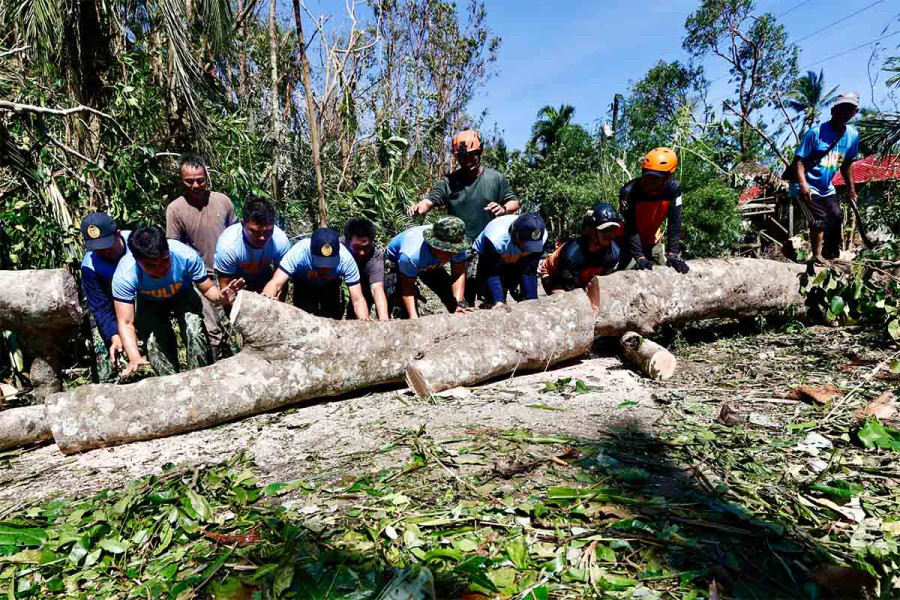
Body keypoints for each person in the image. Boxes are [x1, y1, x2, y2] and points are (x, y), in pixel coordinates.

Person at [112, 226, 244, 377]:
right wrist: (134, 358)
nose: (160, 269)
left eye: (164, 261)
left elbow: (207, 289)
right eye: (151, 266)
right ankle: (169, 384)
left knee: (194, 331)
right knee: (154, 344)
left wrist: (222, 298)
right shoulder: (126, 274)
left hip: (183, 294)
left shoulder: (186, 256)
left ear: (168, 250)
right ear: (137, 261)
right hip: (150, 303)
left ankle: (199, 378)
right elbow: (126, 322)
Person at [407, 130, 520, 302]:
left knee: (493, 297)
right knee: (463, 300)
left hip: (489, 247)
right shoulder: (449, 182)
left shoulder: (495, 178)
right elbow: (431, 199)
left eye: (471, 156)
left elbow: (514, 202)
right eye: (462, 158)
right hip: (461, 250)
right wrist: (421, 207)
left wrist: (503, 209)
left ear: (480, 152)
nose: (467, 161)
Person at [166, 154, 238, 360]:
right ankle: (215, 368)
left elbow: (235, 234)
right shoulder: (175, 209)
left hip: (228, 273)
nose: (196, 185)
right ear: (181, 180)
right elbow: (175, 248)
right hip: (201, 277)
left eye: (200, 180)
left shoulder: (222, 201)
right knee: (211, 329)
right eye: (189, 181)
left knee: (233, 324)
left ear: (206, 177)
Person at [791, 92, 860, 263]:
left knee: (836, 215)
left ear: (854, 113)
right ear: (833, 111)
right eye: (841, 108)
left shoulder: (852, 135)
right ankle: (817, 256)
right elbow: (798, 162)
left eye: (849, 109)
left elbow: (847, 164)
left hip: (826, 187)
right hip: (806, 185)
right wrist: (803, 185)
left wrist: (851, 188)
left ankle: (830, 254)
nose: (845, 112)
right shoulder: (815, 133)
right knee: (818, 219)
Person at [263, 227, 369, 320]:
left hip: (330, 286)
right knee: (302, 318)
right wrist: (265, 307)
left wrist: (366, 325)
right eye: (321, 263)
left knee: (332, 318)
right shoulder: (299, 252)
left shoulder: (346, 259)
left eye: (330, 264)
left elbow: (358, 299)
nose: (325, 269)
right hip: (304, 285)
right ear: (310, 251)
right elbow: (276, 282)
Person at [618, 147, 689, 274]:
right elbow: (630, 227)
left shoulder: (673, 188)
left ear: (668, 176)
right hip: (625, 242)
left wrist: (673, 254)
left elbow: (675, 221)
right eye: (647, 175)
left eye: (655, 178)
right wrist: (639, 256)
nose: (649, 181)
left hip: (651, 241)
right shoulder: (629, 192)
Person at [385, 216, 471, 319]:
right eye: (446, 251)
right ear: (433, 245)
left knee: (456, 303)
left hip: (430, 262)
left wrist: (459, 304)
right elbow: (407, 287)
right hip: (397, 263)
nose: (450, 256)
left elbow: (458, 273)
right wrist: (414, 318)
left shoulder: (458, 245)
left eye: (453, 252)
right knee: (402, 307)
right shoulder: (411, 255)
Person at [79, 213, 131, 382]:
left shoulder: (138, 244)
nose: (104, 252)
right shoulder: (89, 266)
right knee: (103, 347)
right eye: (97, 248)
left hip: (143, 304)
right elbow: (100, 307)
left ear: (118, 233)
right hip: (111, 310)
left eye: (107, 246)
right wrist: (114, 335)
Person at [540, 203, 624, 295]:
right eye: (605, 230)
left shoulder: (614, 253)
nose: (610, 234)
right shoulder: (571, 255)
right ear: (590, 230)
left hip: (582, 273)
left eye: (613, 229)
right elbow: (572, 291)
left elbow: (603, 281)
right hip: (554, 275)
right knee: (566, 298)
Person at [214, 196, 291, 297]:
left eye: (268, 232)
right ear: (242, 224)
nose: (262, 238)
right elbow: (226, 287)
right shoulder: (228, 246)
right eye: (255, 232)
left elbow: (281, 281)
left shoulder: (280, 240)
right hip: (237, 282)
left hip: (264, 279)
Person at [472, 213, 547, 307]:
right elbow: (492, 272)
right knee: (491, 299)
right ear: (516, 235)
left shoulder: (541, 237)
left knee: (523, 296)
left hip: (516, 258)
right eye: (526, 245)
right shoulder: (495, 239)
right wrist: (499, 301)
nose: (528, 249)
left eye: (531, 246)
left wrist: (532, 302)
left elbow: (530, 271)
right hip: (490, 256)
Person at [342, 218, 389, 321]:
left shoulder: (375, 256)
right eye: (357, 247)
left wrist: (384, 321)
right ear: (347, 241)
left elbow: (377, 289)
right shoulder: (337, 249)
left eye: (366, 247)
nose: (362, 253)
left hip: (363, 285)